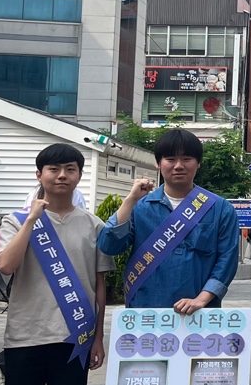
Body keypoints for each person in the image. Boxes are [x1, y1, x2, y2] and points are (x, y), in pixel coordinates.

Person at [0, 144, 111, 385]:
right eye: (54, 169)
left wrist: (98, 337)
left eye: (70, 169)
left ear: (79, 175)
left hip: (73, 340)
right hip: (24, 337)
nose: (62, 176)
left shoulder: (93, 225)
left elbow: (98, 286)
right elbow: (5, 266)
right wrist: (31, 220)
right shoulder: (15, 220)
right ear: (39, 174)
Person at [99, 128, 239, 312]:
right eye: (170, 159)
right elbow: (109, 246)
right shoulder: (140, 207)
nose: (179, 165)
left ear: (198, 163)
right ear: (158, 163)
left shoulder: (220, 208)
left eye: (187, 159)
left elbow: (227, 259)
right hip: (146, 310)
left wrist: (201, 299)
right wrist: (129, 201)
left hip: (200, 314)